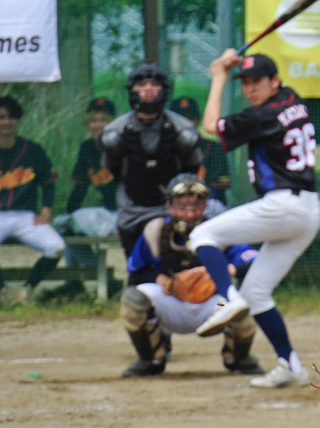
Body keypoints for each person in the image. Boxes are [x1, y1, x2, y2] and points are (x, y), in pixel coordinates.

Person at [188, 51, 320, 389]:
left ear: (274, 81)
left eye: (257, 81)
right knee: (258, 292)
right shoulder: (294, 99)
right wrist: (238, 62)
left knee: (202, 236)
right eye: (244, 82)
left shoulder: (261, 115)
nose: (250, 88)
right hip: (307, 211)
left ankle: (228, 299)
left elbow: (208, 128)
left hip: (283, 205)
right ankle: (290, 365)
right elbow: (272, 96)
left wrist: (218, 75)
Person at [120, 173, 263, 377]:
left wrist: (225, 270)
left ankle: (238, 358)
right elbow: (136, 274)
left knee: (239, 303)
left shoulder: (219, 230)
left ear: (205, 206)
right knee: (134, 299)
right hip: (170, 305)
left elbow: (252, 259)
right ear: (169, 206)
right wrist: (163, 281)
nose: (189, 214)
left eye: (196, 207)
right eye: (182, 207)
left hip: (214, 307)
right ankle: (151, 359)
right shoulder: (155, 230)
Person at [99, 60, 204, 257]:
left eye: (155, 85)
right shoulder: (115, 131)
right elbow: (112, 171)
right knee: (137, 272)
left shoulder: (182, 128)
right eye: (141, 85)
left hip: (171, 210)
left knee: (172, 265)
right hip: (131, 209)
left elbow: (192, 169)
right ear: (132, 90)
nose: (148, 89)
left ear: (164, 91)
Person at [49, 97, 119, 298]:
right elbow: (80, 187)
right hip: (107, 212)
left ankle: (103, 279)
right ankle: (76, 281)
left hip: (126, 212)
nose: (98, 124)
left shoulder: (123, 147)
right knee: (64, 225)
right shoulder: (87, 148)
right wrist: (68, 214)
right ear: (87, 124)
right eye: (93, 120)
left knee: (71, 222)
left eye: (103, 120)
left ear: (112, 123)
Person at [0, 95, 66, 304]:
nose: (6, 122)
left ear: (18, 120)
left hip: (26, 216)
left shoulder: (33, 150)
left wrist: (46, 209)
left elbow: (48, 182)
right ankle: (3, 291)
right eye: (1, 117)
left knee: (56, 247)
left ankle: (27, 289)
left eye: (11, 117)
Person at [169, 96, 231, 205]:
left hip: (204, 205)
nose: (186, 123)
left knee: (216, 207)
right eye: (181, 119)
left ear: (198, 120)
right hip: (168, 205)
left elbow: (217, 193)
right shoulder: (161, 146)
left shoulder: (213, 148)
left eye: (190, 118)